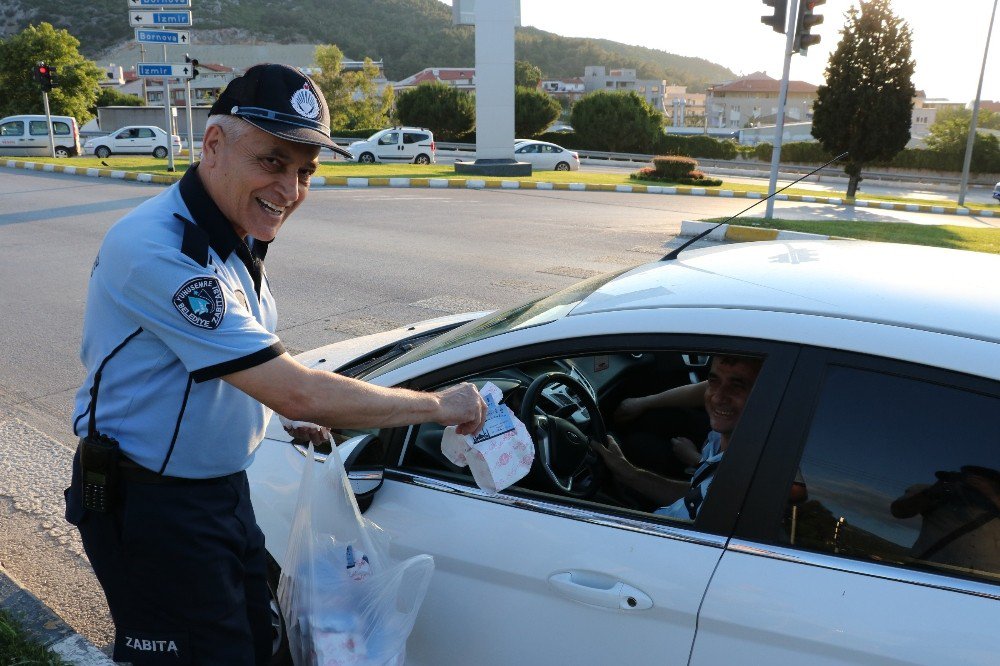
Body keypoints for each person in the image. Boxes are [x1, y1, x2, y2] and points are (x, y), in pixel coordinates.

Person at [64, 63, 487, 665]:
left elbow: (223, 366)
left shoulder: (229, 234)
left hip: (218, 491)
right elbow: (298, 390)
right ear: (214, 145)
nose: (290, 190)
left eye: (305, 172)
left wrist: (277, 417)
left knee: (259, 645)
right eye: (272, 161)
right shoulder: (161, 248)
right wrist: (440, 406)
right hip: (154, 507)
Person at [592, 355, 762, 520]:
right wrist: (629, 473)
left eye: (737, 386)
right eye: (714, 381)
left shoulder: (741, 482)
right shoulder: (738, 434)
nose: (717, 397)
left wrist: (697, 461)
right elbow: (696, 495)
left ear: (766, 395)